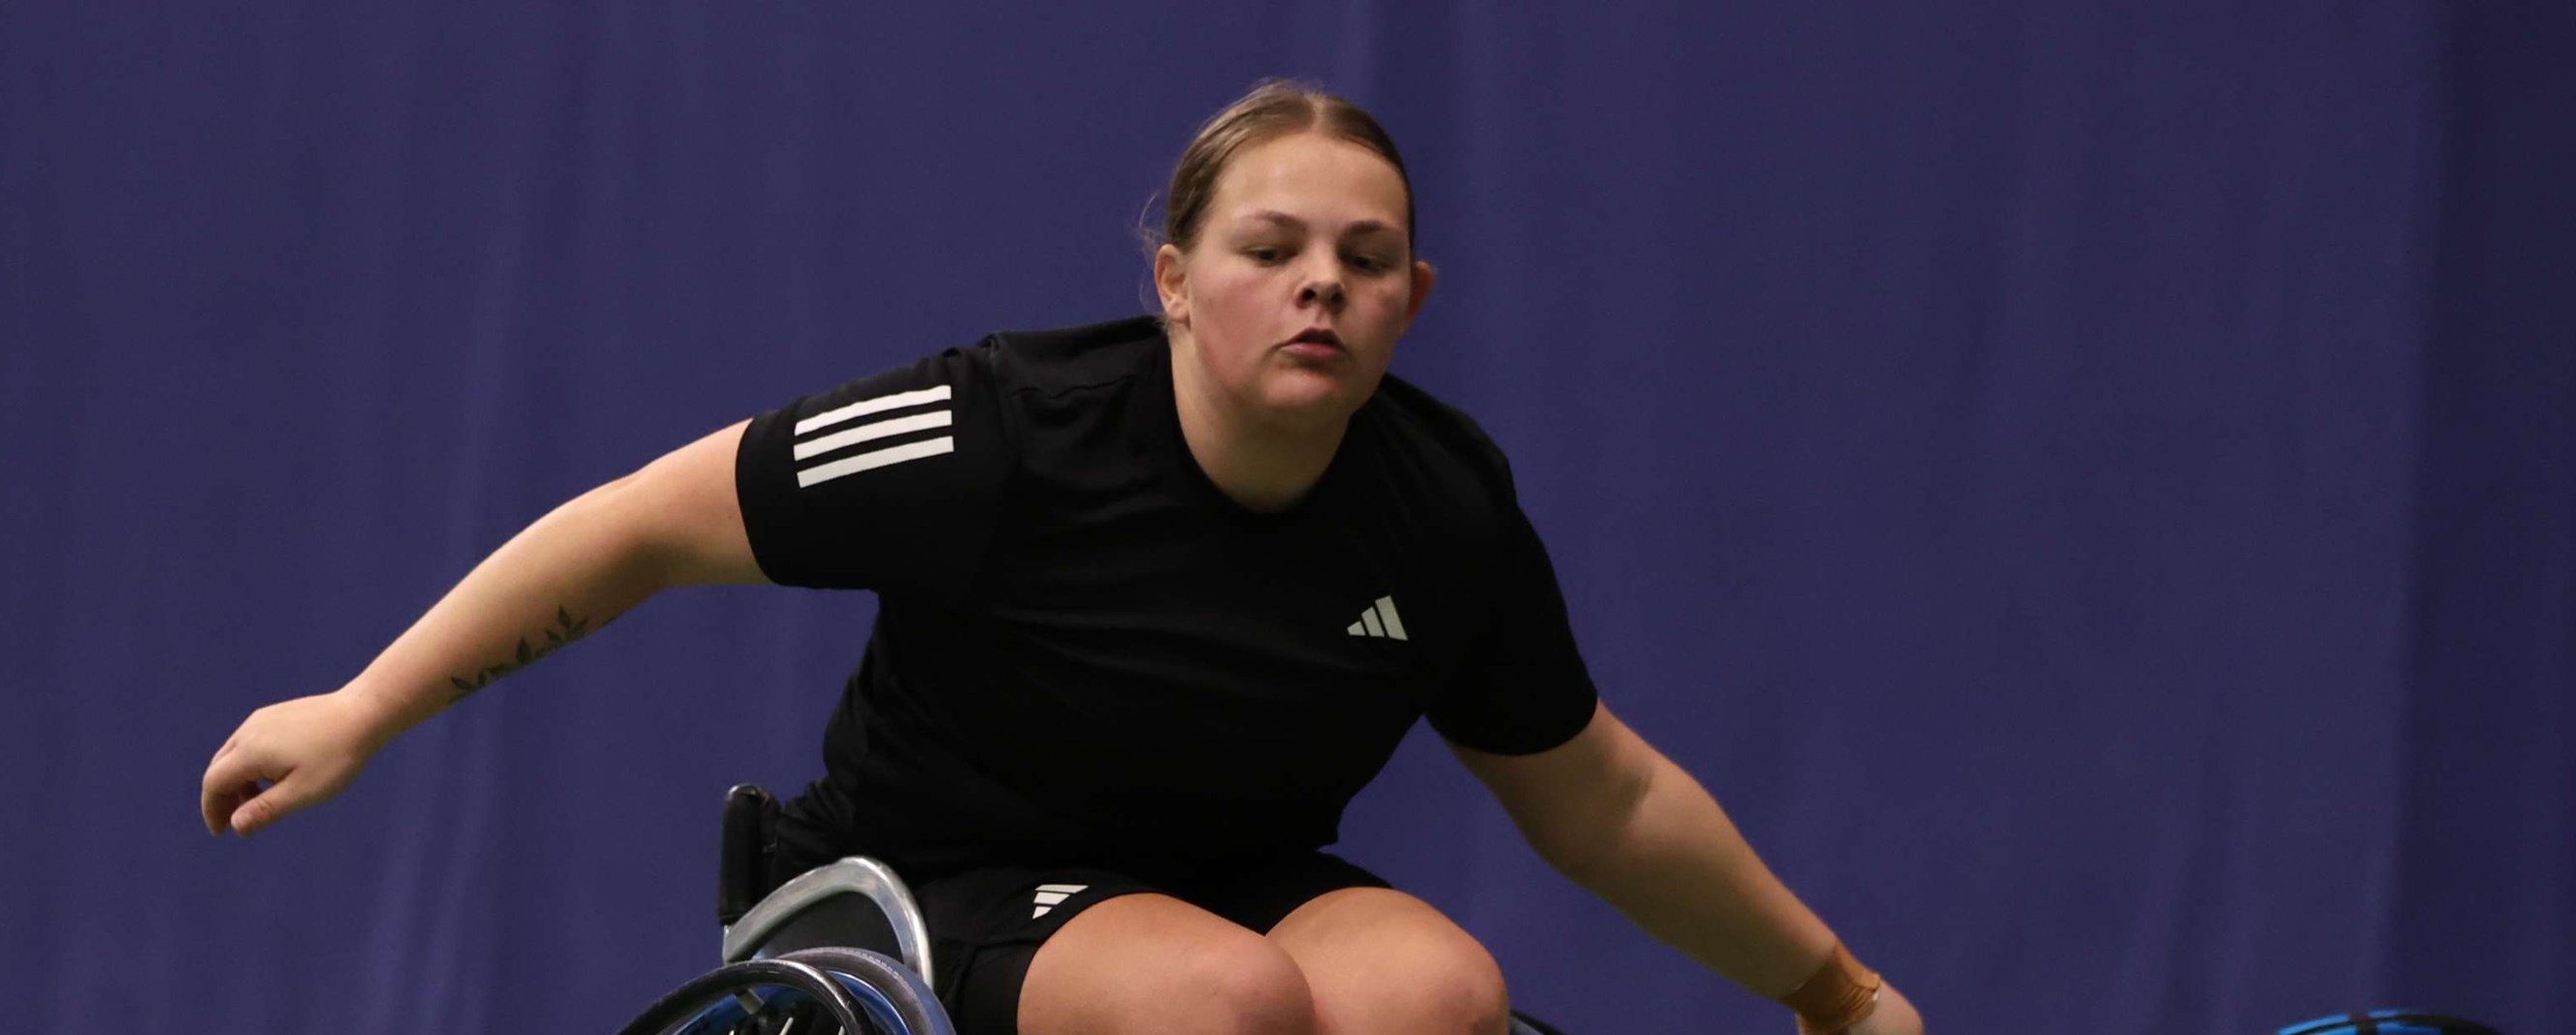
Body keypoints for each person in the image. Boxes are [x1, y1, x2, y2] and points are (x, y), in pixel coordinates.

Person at [198, 81, 1926, 1035]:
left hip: (1224, 879)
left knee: (1437, 993)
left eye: (1367, 254)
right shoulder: (1000, 431)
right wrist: (360, 711)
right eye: (1271, 244)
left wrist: (1834, 993)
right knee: (1223, 1006)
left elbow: (1599, 794)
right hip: (925, 883)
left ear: (1413, 302)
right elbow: (647, 522)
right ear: (1175, 276)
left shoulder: (1443, 507)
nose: (1320, 279)